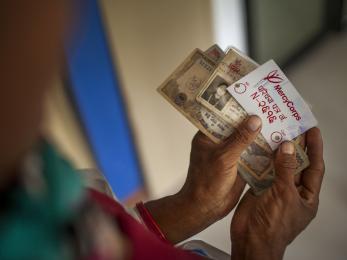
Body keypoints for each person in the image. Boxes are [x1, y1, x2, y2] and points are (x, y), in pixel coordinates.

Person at [0, 1, 325, 259]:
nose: (68, 22)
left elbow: (104, 238)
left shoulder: (34, 177)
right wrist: (261, 249)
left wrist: (194, 204)